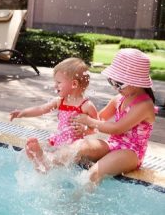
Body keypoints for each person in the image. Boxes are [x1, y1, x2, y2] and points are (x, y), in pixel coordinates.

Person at [26, 48, 156, 186]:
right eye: (112, 82)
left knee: (94, 173)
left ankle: (75, 204)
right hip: (112, 144)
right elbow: (100, 119)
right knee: (80, 145)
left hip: (131, 152)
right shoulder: (119, 98)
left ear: (136, 81)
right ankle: (47, 162)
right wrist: (85, 129)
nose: (115, 88)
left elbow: (117, 128)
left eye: (119, 84)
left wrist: (88, 121)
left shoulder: (144, 105)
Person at [10, 57, 98, 146]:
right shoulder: (60, 101)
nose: (55, 86)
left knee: (63, 155)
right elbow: (41, 109)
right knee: (49, 149)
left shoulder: (86, 106)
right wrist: (23, 113)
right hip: (58, 141)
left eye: (59, 82)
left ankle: (41, 156)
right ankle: (40, 155)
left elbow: (97, 128)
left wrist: (85, 130)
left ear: (74, 84)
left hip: (75, 147)